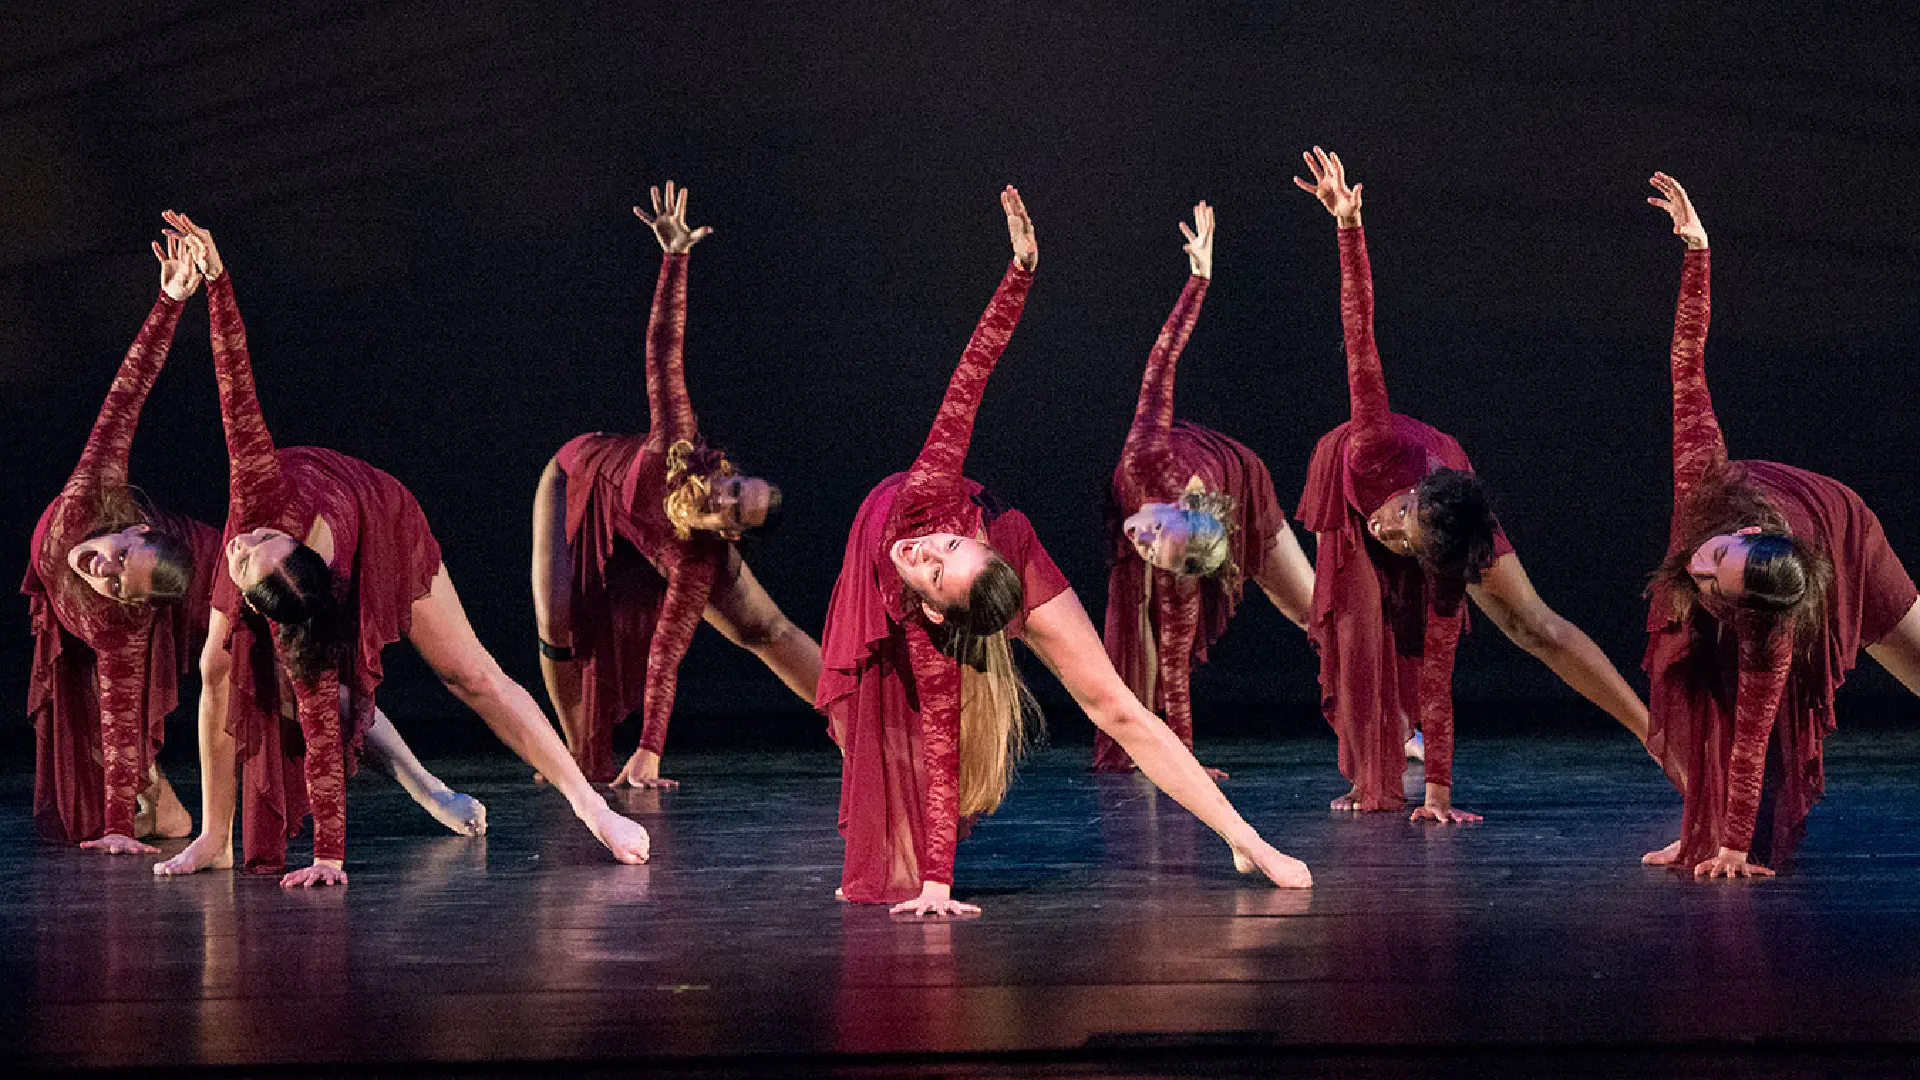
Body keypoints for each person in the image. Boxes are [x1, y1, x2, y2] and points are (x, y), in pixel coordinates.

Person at [817, 187, 1312, 917]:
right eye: (931, 563)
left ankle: (1246, 840)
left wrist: (1021, 272)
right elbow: (945, 747)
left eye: (945, 547)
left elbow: (974, 374)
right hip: (903, 560)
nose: (923, 548)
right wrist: (937, 888)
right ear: (929, 606)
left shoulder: (956, 511)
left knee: (1114, 702)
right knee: (886, 732)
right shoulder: (917, 577)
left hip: (1007, 547)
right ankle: (917, 853)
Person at [149, 214, 650, 887]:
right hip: (302, 498)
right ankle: (215, 835)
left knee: (469, 675)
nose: (236, 544)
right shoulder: (254, 496)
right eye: (247, 553)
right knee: (215, 663)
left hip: (380, 516)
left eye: (251, 549)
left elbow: (323, 719)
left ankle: (591, 809)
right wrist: (215, 281)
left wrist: (329, 857)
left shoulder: (292, 583)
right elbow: (233, 379)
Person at [1292, 147, 1649, 821]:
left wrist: (1441, 796)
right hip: (1355, 473)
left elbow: (1438, 665)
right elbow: (1360, 336)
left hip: (1453, 509)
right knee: (1361, 638)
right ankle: (1379, 761)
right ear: (1411, 497)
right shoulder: (1376, 452)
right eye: (1401, 519)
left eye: (1403, 540)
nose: (1387, 528)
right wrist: (1348, 227)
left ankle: (1651, 735)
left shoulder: (1442, 549)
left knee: (1532, 623)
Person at [1639, 173, 1920, 878]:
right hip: (1805, 508)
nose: (1699, 563)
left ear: (1748, 613)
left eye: (1714, 581)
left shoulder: (1769, 626)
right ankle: (1695, 829)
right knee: (1699, 689)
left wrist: (1738, 848)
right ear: (1740, 536)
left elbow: (1753, 736)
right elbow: (1686, 363)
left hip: (1847, 531)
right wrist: (1698, 251)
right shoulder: (1707, 485)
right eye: (1717, 558)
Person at [532, 182, 821, 789]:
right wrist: (675, 258)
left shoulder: (697, 561)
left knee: (759, 626)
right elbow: (665, 349)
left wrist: (650, 752)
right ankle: (576, 755)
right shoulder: (679, 447)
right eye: (739, 483)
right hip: (574, 485)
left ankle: (859, 718)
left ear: (734, 530)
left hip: (644, 544)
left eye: (738, 503)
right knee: (559, 624)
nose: (729, 490)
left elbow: (668, 653)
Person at [1097, 200, 1316, 775]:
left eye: (1150, 549)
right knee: (1138, 610)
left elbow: (1177, 650)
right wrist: (1199, 278)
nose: (1139, 542)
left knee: (1312, 611)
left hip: (1244, 487)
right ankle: (1143, 739)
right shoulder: (1150, 455)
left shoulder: (1181, 554)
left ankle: (1395, 726)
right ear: (1173, 510)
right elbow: (1161, 362)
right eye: (1152, 541)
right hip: (1199, 468)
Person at [23, 231, 217, 853]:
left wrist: (113, 830)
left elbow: (119, 714)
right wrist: (169, 300)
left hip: (94, 621)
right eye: (117, 558)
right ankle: (165, 811)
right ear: (132, 529)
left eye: (112, 581)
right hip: (68, 597)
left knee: (114, 723)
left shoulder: (117, 621)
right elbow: (126, 394)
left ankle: (153, 813)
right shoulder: (90, 495)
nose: (98, 568)